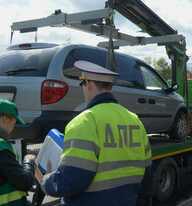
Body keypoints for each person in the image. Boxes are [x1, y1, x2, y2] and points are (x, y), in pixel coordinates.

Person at [35, 60, 152, 205]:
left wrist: (45, 180)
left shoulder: (84, 121)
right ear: (110, 87)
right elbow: (146, 168)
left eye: (82, 84)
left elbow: (73, 180)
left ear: (88, 84)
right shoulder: (135, 120)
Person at [0, 99, 36, 205]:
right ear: (5, 119)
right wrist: (28, 162)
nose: (14, 127)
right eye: (15, 121)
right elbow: (24, 182)